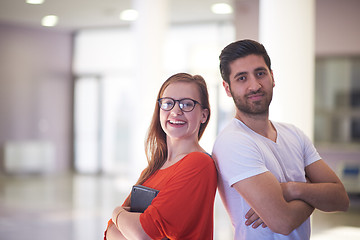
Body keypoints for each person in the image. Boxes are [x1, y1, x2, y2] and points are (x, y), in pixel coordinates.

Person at [212, 39, 349, 239]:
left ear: (272, 77)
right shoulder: (233, 141)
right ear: (227, 88)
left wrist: (291, 189)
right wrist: (312, 190)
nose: (254, 85)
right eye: (242, 78)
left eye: (260, 73)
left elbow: (341, 199)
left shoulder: (293, 133)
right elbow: (282, 222)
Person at [104, 73, 217, 240]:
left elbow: (141, 233)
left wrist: (116, 212)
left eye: (187, 104)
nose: (176, 111)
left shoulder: (199, 164)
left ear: (203, 115)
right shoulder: (151, 170)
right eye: (168, 103)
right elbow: (110, 232)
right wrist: (124, 223)